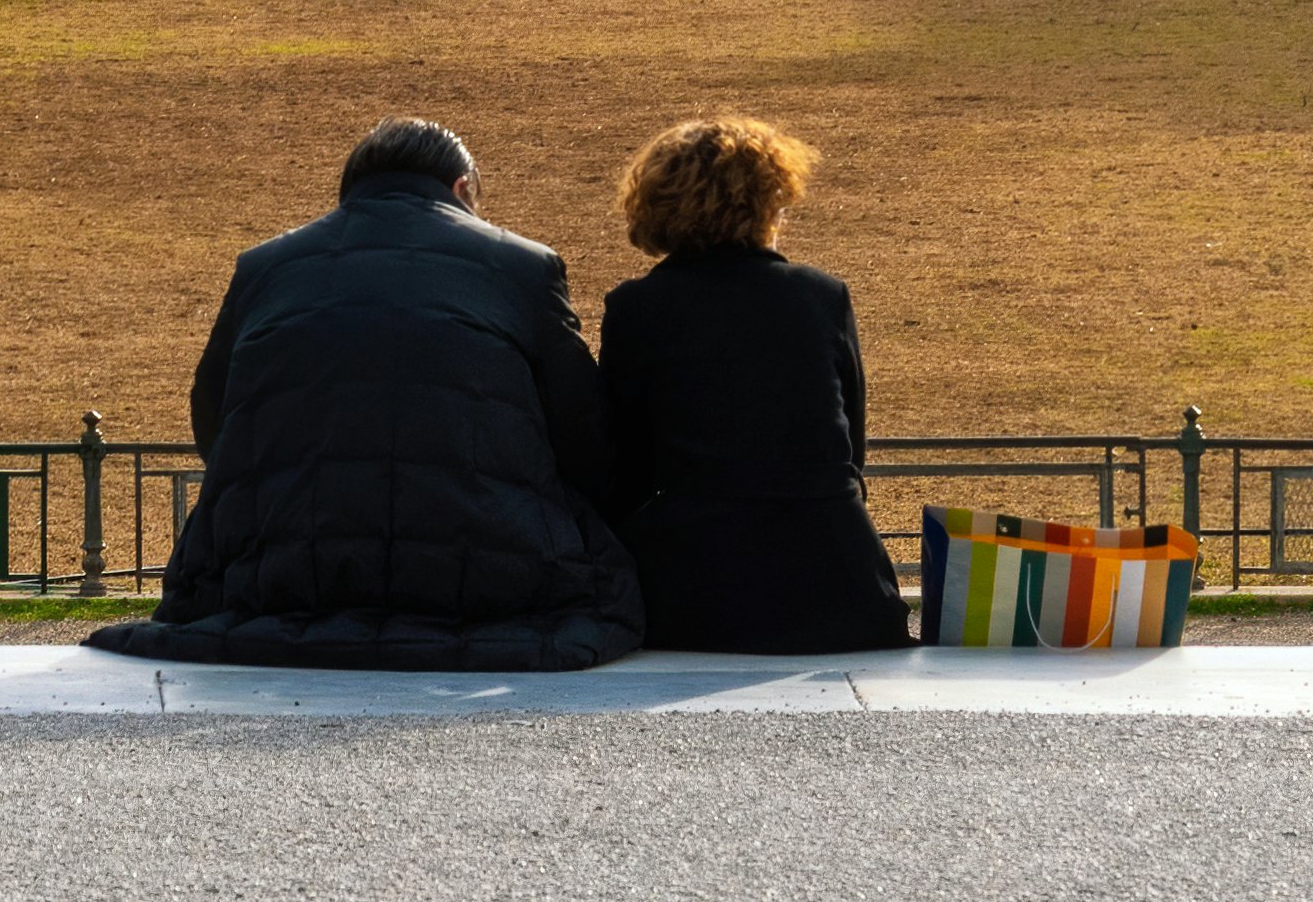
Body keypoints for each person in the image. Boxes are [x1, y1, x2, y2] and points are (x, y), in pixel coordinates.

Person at [90, 117, 640, 672]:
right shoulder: (524, 266)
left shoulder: (264, 266)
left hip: (279, 571)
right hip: (490, 572)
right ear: (462, 189)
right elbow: (584, 437)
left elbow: (213, 417)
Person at [593, 115, 910, 656]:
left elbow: (624, 467)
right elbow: (848, 453)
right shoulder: (821, 296)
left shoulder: (636, 308)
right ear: (767, 202)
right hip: (835, 581)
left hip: (695, 589)